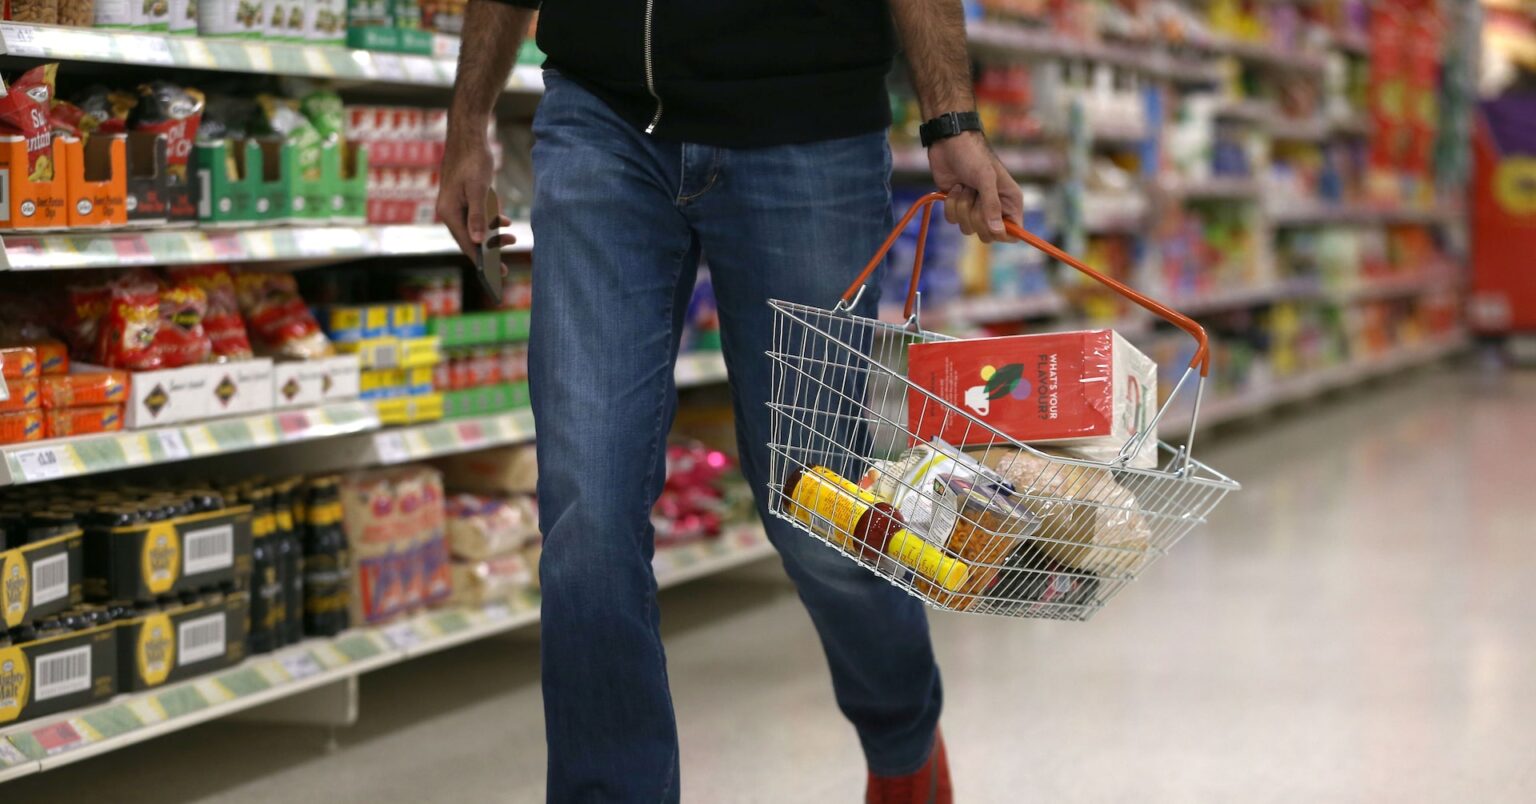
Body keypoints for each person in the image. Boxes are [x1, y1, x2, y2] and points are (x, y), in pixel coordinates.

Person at [438, 1, 1023, 800]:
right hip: (603, 118)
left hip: (807, 131)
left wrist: (950, 114)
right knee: (587, 510)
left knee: (819, 511)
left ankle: (901, 733)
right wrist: (467, 121)